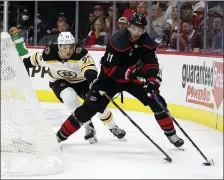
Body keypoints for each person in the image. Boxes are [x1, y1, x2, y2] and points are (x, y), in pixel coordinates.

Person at [56, 13, 184, 148]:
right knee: (88, 109)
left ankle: (171, 135)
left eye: (140, 30)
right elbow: (108, 68)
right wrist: (128, 72)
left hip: (132, 79)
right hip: (109, 80)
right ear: (128, 26)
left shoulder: (146, 42)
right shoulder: (117, 40)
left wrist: (152, 81)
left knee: (157, 101)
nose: (136, 33)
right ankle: (59, 137)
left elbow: (151, 64)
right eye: (134, 28)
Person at [13, 31, 126, 144]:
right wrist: (13, 68)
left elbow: (89, 69)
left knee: (97, 103)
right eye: (65, 48)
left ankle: (113, 127)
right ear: (59, 47)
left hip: (82, 81)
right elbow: (29, 62)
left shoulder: (80, 53)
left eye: (71, 47)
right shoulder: (48, 54)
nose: (68, 51)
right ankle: (88, 125)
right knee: (69, 97)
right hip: (59, 81)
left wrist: (93, 80)